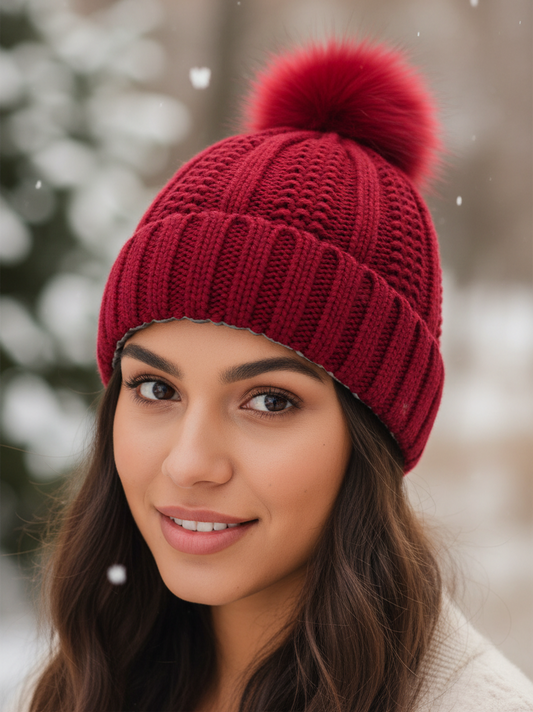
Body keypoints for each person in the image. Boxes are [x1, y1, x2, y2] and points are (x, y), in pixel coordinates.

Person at [27, 39, 533, 712]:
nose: (189, 463)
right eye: (156, 389)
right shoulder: (94, 676)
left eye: (268, 400)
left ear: (371, 435)